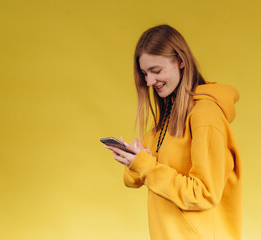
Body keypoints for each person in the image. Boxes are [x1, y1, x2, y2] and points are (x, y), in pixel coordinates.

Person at [104, 24, 242, 240]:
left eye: (156, 71)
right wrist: (135, 161)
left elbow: (204, 193)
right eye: (144, 73)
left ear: (180, 61)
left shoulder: (205, 114)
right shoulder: (167, 114)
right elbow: (136, 179)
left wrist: (146, 166)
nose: (149, 82)